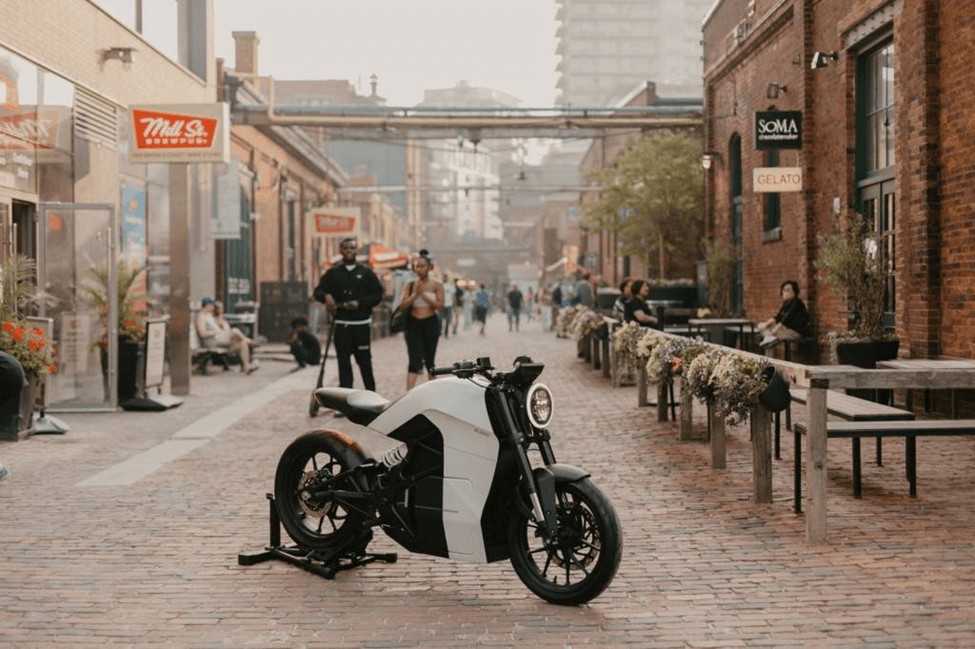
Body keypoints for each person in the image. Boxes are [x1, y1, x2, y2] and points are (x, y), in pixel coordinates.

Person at [313, 238, 384, 412]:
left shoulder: (366, 272)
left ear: (356, 250)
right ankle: (345, 405)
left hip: (361, 325)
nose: (349, 250)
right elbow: (318, 291)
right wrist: (326, 297)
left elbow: (377, 295)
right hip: (341, 325)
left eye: (352, 247)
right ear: (341, 251)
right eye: (345, 248)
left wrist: (359, 303)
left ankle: (372, 400)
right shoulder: (333, 273)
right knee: (343, 364)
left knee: (364, 363)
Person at [398, 250, 444, 390]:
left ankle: (433, 394)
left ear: (430, 267)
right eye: (417, 266)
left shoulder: (437, 284)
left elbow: (440, 306)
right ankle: (408, 394)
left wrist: (424, 295)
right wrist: (415, 294)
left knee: (430, 361)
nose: (419, 269)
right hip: (413, 324)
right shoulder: (410, 284)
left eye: (422, 266)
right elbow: (403, 306)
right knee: (413, 361)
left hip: (430, 323)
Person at [196, 297, 258, 374]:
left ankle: (247, 367)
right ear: (207, 305)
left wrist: (220, 325)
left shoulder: (209, 315)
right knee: (234, 330)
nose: (213, 307)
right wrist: (215, 332)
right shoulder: (201, 316)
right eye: (212, 305)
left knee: (242, 343)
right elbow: (202, 334)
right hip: (211, 341)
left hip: (218, 339)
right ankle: (250, 341)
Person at [757, 279, 813, 348]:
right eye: (784, 290)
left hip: (798, 332)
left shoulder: (797, 303)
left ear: (794, 292)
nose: (785, 292)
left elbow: (785, 319)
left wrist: (774, 331)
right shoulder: (786, 303)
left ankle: (769, 340)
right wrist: (765, 325)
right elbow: (777, 318)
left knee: (773, 337)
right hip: (787, 330)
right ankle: (769, 340)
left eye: (788, 290)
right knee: (762, 326)